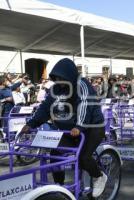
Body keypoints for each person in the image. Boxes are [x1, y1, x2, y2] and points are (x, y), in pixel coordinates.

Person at [20, 58, 107, 198]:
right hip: (70, 130)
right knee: (55, 153)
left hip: (92, 128)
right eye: (57, 77)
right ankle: (58, 187)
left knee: (83, 157)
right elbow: (45, 108)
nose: (59, 80)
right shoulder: (56, 89)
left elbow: (85, 105)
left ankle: (98, 176)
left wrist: (79, 126)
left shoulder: (81, 85)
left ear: (69, 75)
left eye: (62, 77)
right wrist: (31, 124)